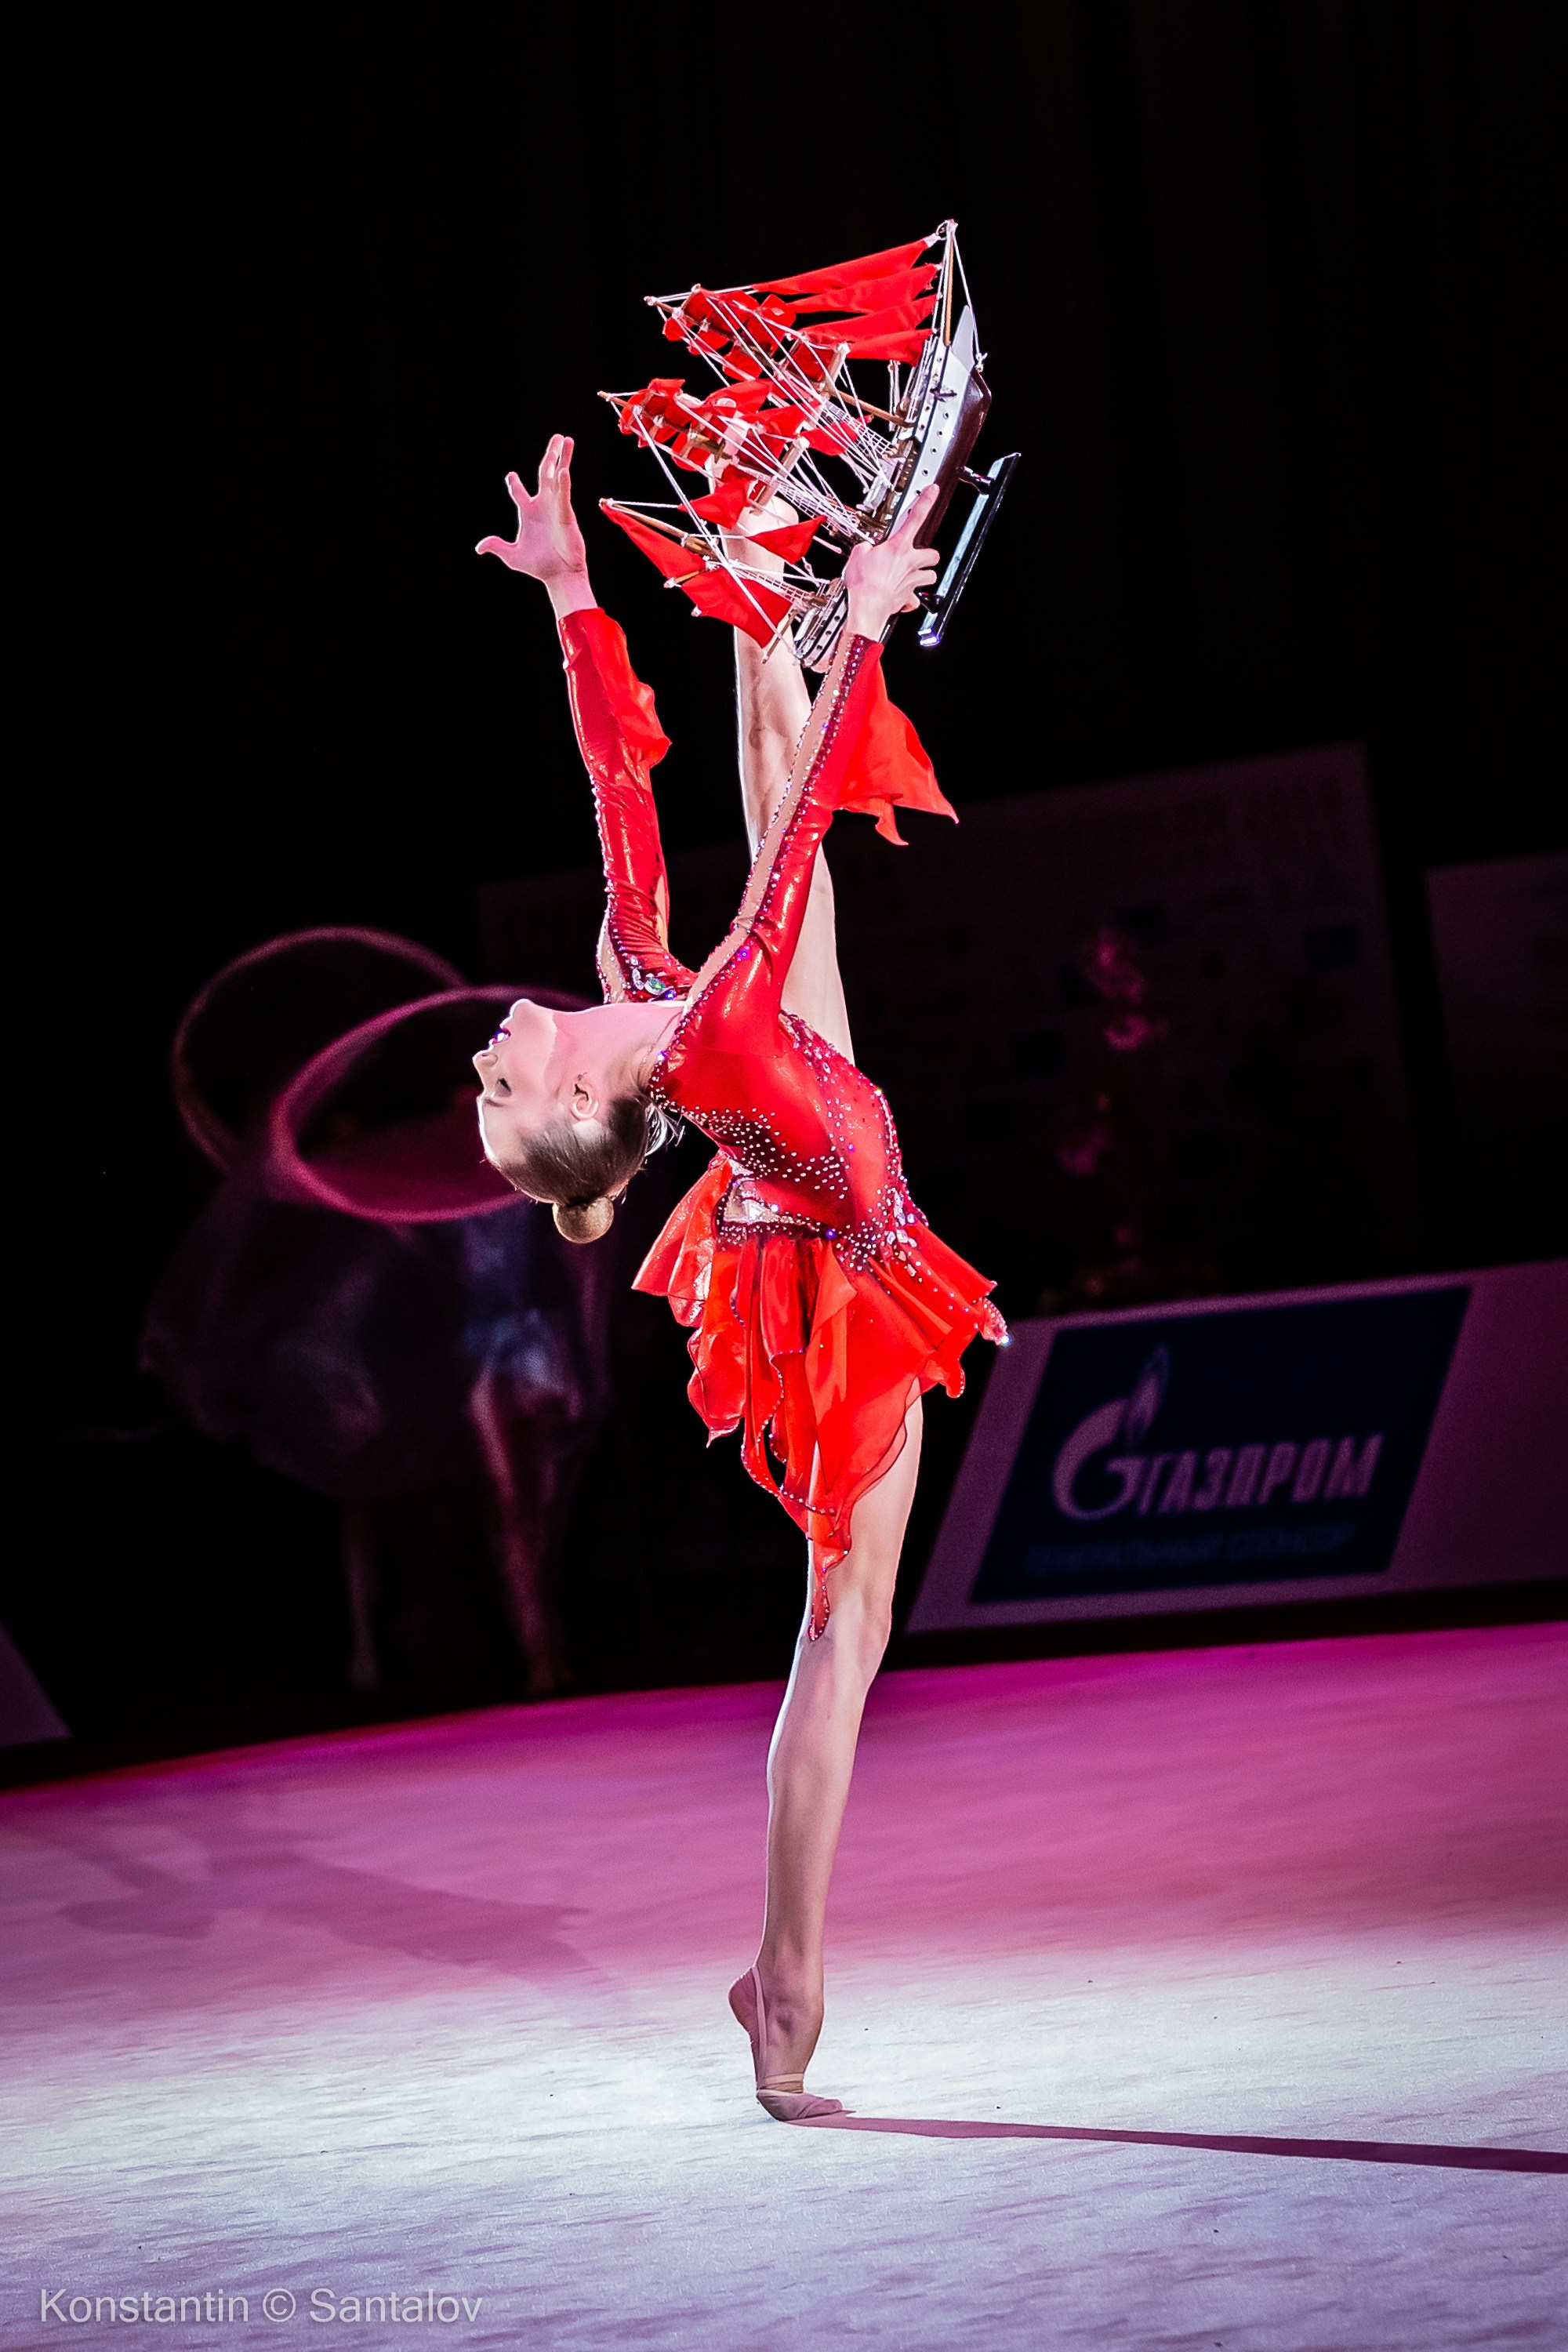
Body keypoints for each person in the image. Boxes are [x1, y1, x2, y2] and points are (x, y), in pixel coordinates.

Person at [475, 435, 1005, 2119]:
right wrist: (856, 628)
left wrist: (571, 595)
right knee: (843, 1631)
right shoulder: (693, 1029)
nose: (483, 1061)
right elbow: (777, 883)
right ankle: (788, 1982)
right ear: (576, 1102)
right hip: (844, 1262)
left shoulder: (641, 974)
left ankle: (755, 534)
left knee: (772, 777)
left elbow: (618, 791)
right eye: (498, 1091)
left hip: (795, 1159)